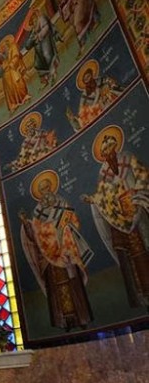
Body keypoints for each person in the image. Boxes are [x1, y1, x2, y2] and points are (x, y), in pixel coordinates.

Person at [81, 126, 149, 308]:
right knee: (129, 256)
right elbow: (103, 194)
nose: (108, 154)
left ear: (116, 147)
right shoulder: (103, 172)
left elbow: (142, 174)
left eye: (110, 149)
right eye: (105, 152)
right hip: (119, 219)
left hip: (137, 208)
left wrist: (135, 191)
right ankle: (141, 294)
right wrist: (92, 199)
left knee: (144, 246)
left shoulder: (128, 158)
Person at [20, 171, 93, 330]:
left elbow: (73, 221)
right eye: (42, 190)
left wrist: (62, 230)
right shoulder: (38, 212)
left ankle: (81, 318)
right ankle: (64, 322)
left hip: (66, 251)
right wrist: (26, 224)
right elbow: (35, 236)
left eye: (47, 187)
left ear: (51, 188)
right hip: (50, 256)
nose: (46, 192)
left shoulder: (62, 202)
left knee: (73, 284)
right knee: (56, 290)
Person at [24, 7, 62, 88]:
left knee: (48, 57)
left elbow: (46, 27)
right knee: (38, 64)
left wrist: (39, 36)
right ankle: (45, 80)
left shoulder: (42, 20)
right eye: (32, 21)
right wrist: (31, 39)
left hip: (46, 44)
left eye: (34, 19)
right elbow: (28, 45)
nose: (34, 22)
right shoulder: (33, 30)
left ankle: (53, 74)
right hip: (39, 52)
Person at [0, 34, 30, 113]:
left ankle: (24, 97)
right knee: (10, 89)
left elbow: (16, 56)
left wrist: (11, 64)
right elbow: (1, 65)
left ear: (7, 44)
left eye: (4, 47)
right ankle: (14, 104)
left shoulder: (13, 47)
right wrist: (3, 59)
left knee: (18, 83)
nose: (3, 49)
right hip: (7, 75)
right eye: (2, 48)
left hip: (14, 70)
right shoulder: (4, 55)